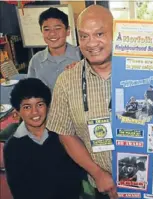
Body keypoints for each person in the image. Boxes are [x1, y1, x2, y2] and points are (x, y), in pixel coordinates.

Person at [46, 5, 117, 199]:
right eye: (84, 36)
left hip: (151, 184)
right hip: (102, 186)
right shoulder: (67, 81)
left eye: (99, 33)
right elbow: (65, 134)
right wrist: (98, 173)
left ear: (115, 33)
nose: (91, 43)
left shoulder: (142, 72)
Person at [3, 78, 83, 199]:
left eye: (40, 105)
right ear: (17, 112)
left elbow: (76, 176)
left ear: (48, 106)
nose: (35, 112)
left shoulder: (63, 135)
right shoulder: (12, 147)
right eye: (27, 107)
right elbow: (18, 189)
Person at [27, 7, 81, 90]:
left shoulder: (81, 55)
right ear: (42, 32)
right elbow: (31, 91)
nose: (52, 34)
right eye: (47, 29)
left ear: (68, 31)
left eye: (57, 28)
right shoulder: (36, 61)